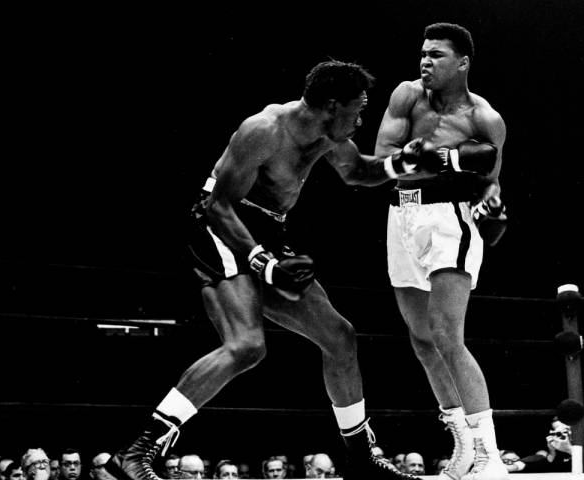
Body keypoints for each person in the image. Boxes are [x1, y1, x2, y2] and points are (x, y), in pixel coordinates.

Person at [104, 59, 440, 480]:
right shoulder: (263, 130)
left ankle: (359, 458)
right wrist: (263, 264)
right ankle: (136, 452)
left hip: (267, 230)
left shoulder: (328, 134)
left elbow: (357, 171)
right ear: (332, 106)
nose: (359, 121)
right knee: (246, 345)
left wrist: (404, 163)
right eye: (356, 110)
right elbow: (218, 207)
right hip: (222, 227)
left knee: (339, 336)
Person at [374, 22, 508, 480]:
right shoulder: (406, 96)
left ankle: (490, 455)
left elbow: (490, 177)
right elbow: (384, 156)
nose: (425, 62)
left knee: (448, 335)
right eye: (423, 54)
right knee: (422, 339)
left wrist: (492, 202)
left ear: (463, 62)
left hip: (450, 219)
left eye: (436, 55)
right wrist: (446, 159)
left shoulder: (485, 118)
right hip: (402, 216)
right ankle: (464, 442)